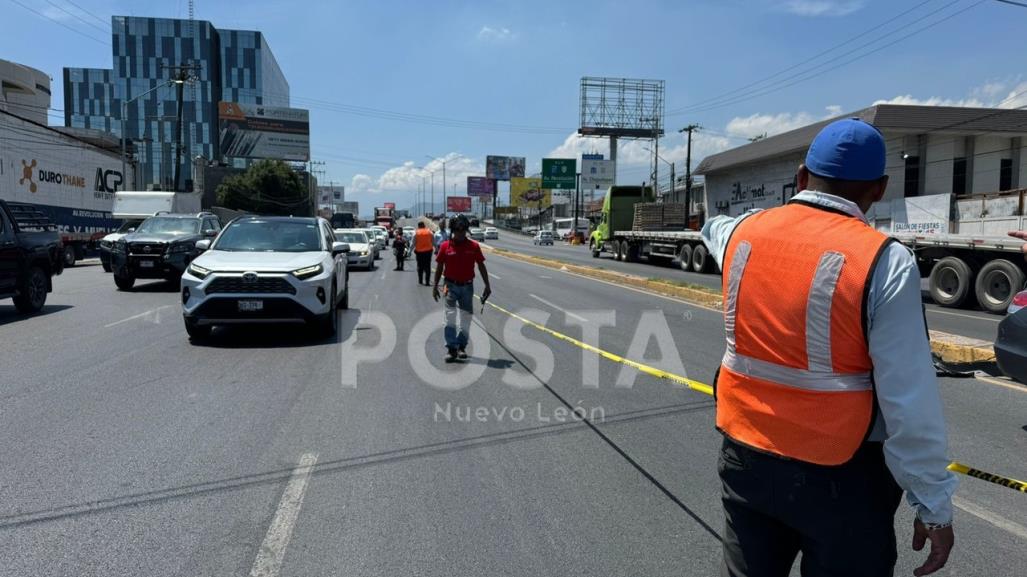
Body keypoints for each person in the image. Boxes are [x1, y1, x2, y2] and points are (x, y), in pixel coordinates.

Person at [701, 118, 956, 577]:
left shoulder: (743, 234)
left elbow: (714, 227)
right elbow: (909, 402)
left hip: (745, 454)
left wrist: (729, 225)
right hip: (843, 475)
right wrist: (932, 504)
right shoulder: (885, 261)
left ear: (800, 177)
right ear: (878, 190)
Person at [433, 215, 491, 361]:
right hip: (450, 286)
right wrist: (434, 286)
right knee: (450, 317)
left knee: (466, 318)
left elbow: (481, 265)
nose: (460, 233)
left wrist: (487, 285)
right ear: (452, 230)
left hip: (467, 286)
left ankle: (461, 346)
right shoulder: (445, 246)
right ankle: (451, 348)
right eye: (457, 230)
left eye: (463, 230)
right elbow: (439, 266)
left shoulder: (474, 246)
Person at [413, 221, 435, 285]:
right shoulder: (429, 232)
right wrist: (437, 249)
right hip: (428, 252)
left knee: (420, 266)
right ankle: (427, 282)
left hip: (419, 252)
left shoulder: (416, 233)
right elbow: (433, 242)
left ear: (419, 226)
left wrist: (409, 251)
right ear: (424, 226)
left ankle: (420, 280)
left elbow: (413, 243)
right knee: (428, 267)